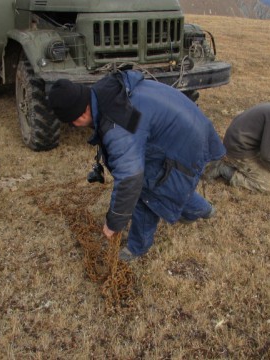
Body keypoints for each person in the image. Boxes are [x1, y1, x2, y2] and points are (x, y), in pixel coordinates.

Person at [47, 70, 225, 261]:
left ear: (78, 117)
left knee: (148, 190)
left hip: (187, 141)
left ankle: (139, 246)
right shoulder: (105, 93)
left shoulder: (117, 125)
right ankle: (203, 210)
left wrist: (114, 222)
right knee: (159, 186)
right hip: (187, 126)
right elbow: (136, 128)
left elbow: (130, 179)